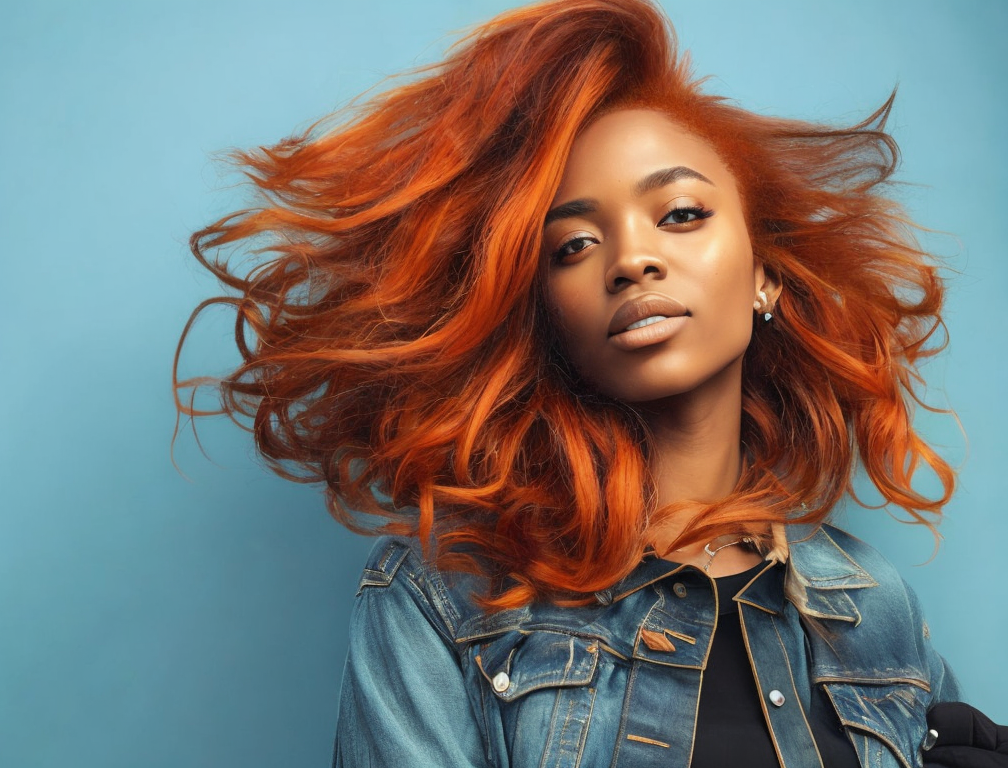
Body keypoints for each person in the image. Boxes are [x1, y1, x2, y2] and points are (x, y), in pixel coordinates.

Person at [176, 0, 1008, 765]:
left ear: (764, 276)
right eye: (573, 246)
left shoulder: (873, 606)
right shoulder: (442, 598)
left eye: (680, 214)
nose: (632, 259)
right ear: (548, 316)